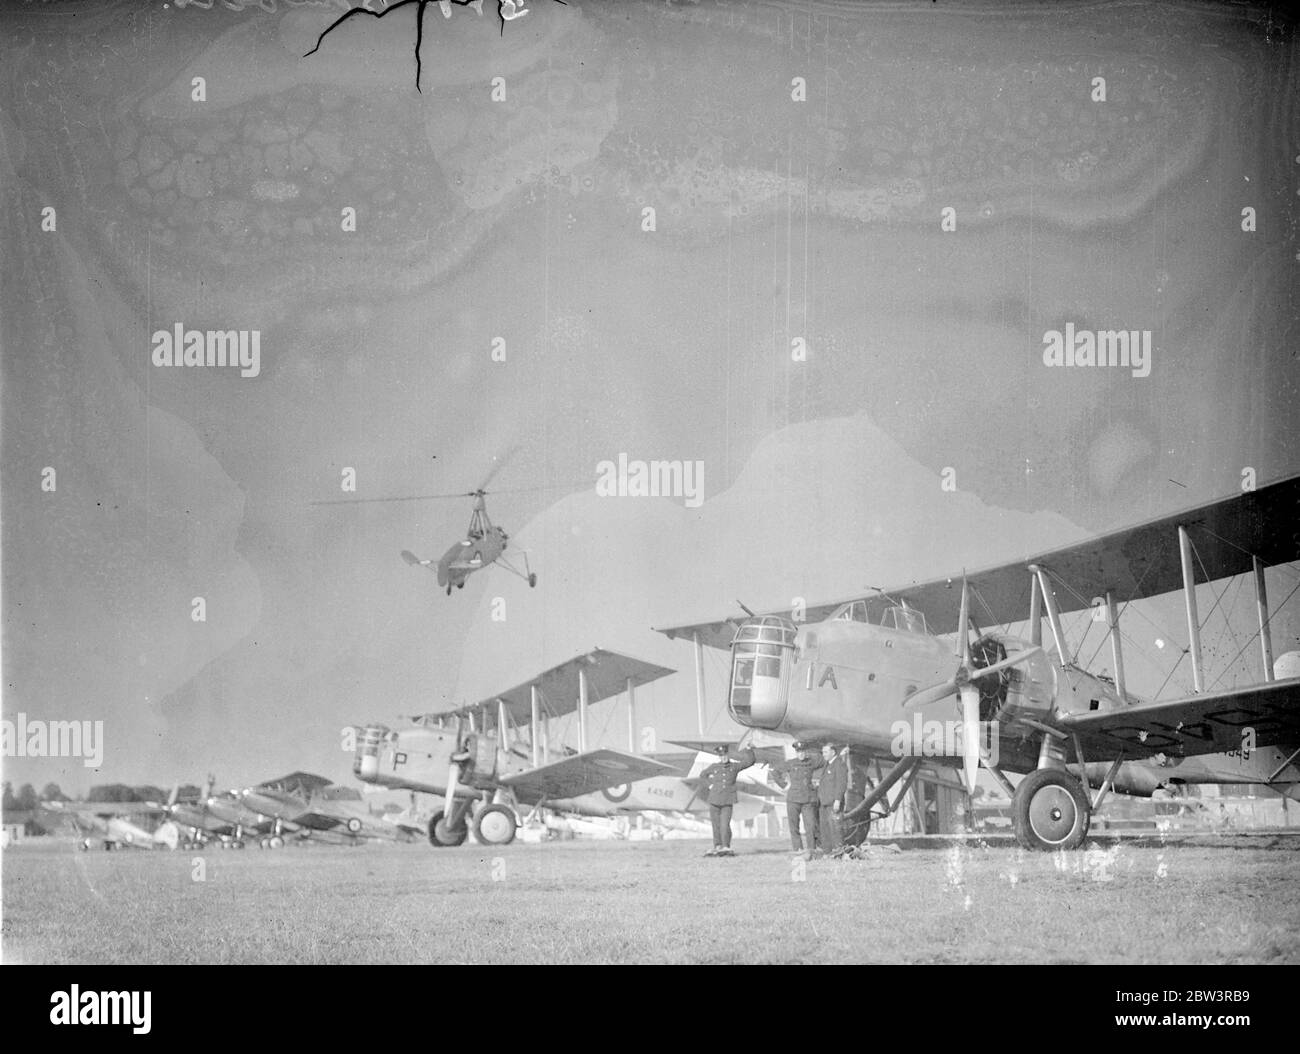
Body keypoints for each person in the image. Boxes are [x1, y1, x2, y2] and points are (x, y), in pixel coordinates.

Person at [700, 741, 756, 856]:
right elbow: (703, 775)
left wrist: (749, 749)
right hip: (714, 800)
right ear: (719, 756)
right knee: (716, 825)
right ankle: (717, 846)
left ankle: (726, 846)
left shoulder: (734, 767)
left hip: (727, 801)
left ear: (728, 755)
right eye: (721, 755)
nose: (723, 757)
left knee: (725, 825)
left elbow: (749, 762)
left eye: (725, 755)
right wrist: (709, 785)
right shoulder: (714, 767)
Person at [770, 742, 820, 859]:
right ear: (796, 752)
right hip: (793, 799)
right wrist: (784, 786)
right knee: (794, 827)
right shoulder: (791, 763)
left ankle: (811, 851)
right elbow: (775, 772)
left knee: (810, 826)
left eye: (803, 752)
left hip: (807, 800)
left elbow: (822, 760)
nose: (801, 754)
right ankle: (798, 850)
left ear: (806, 752)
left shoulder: (810, 763)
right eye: (799, 752)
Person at [817, 743, 848, 854]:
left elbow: (841, 783)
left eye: (825, 752)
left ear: (833, 752)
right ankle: (828, 853)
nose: (823, 754)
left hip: (833, 803)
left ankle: (838, 853)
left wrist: (838, 800)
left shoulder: (839, 764)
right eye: (823, 752)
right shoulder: (828, 764)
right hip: (824, 803)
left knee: (836, 829)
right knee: (825, 830)